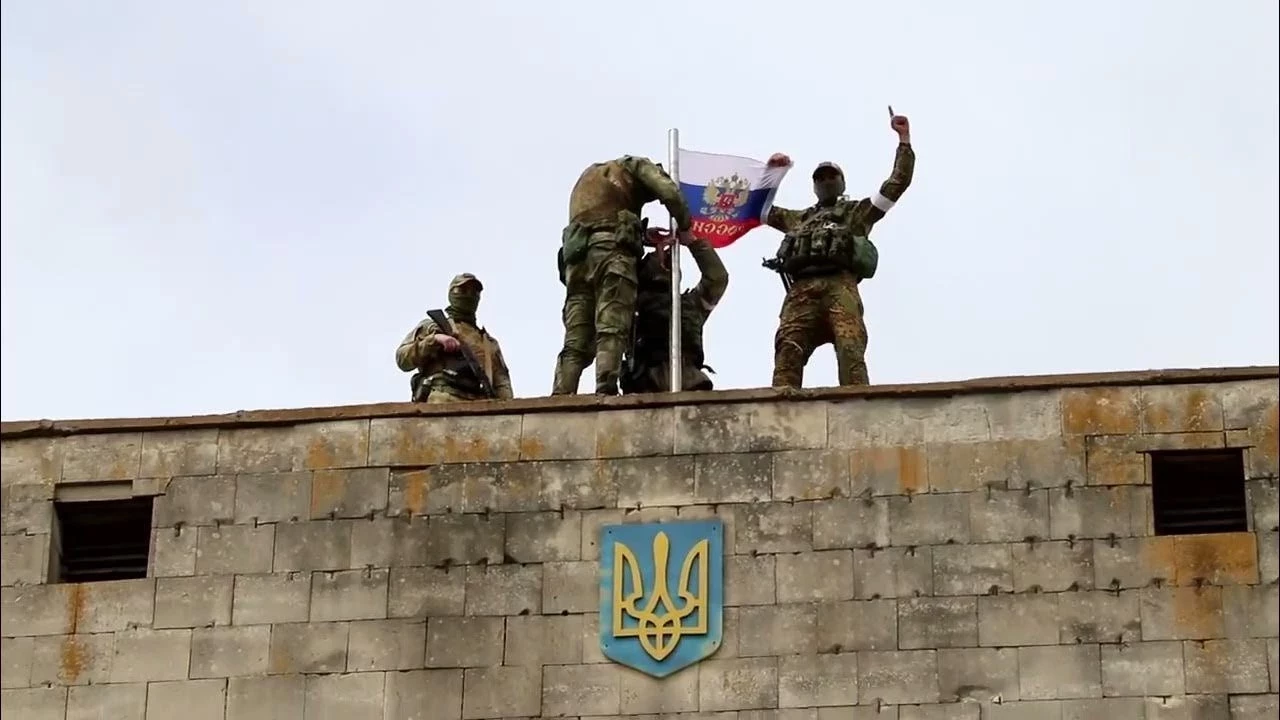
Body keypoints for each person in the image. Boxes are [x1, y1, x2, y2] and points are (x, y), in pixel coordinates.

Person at [763, 111, 915, 388]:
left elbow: (896, 184)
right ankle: (780, 405)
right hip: (801, 293)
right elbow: (760, 210)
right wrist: (772, 174)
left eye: (831, 176)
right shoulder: (798, 219)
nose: (826, 181)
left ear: (842, 182)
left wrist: (903, 140)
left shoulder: (857, 213)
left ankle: (857, 403)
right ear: (814, 185)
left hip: (840, 288)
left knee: (850, 348)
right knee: (788, 350)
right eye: (820, 178)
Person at [551, 155, 696, 395]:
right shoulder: (635, 165)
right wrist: (685, 225)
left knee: (577, 335)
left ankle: (561, 393)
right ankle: (605, 387)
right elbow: (669, 193)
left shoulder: (593, 175)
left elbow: (599, 219)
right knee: (612, 322)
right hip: (612, 255)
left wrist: (641, 234)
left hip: (577, 262)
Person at [620, 228, 729, 394]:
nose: (668, 258)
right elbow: (613, 270)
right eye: (661, 258)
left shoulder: (688, 304)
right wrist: (639, 239)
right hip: (648, 382)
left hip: (689, 379)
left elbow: (717, 278)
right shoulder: (630, 306)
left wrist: (693, 242)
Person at [395, 273, 514, 403]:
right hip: (442, 400)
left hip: (479, 406)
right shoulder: (434, 327)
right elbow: (402, 359)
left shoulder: (489, 343)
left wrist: (507, 409)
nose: (468, 295)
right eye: (462, 290)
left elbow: (502, 385)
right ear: (451, 294)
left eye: (474, 292)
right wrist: (434, 340)